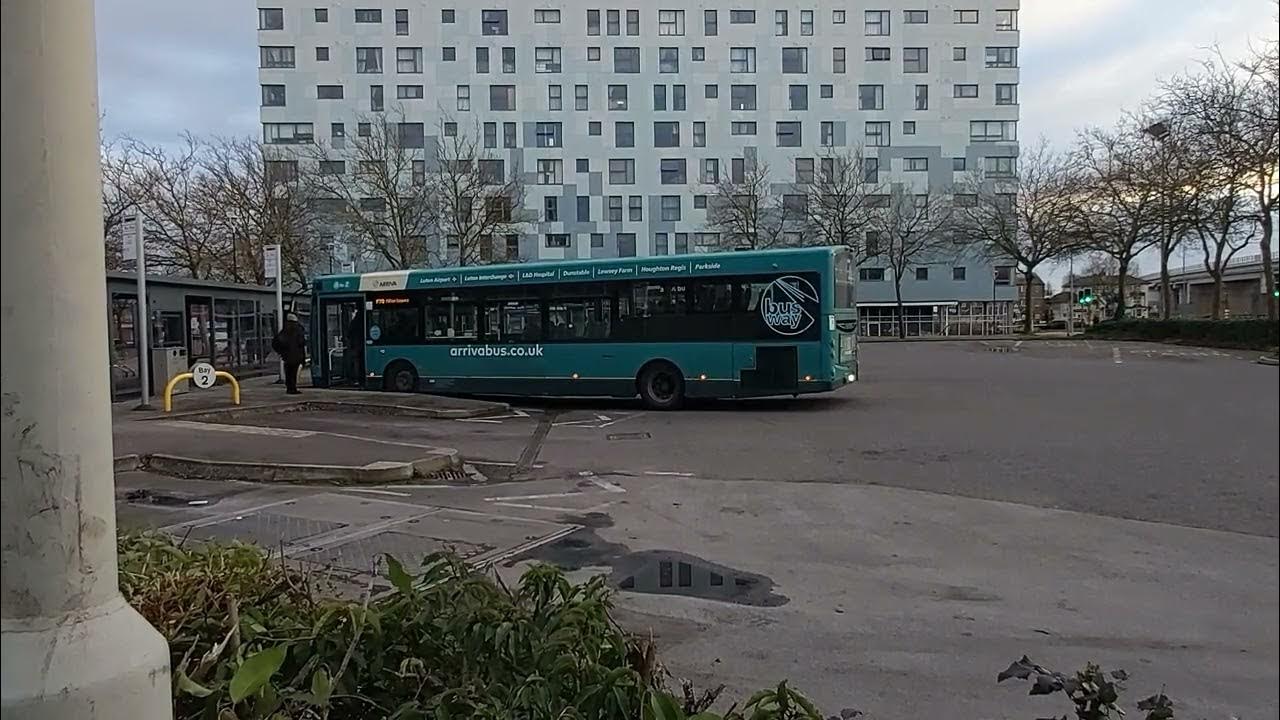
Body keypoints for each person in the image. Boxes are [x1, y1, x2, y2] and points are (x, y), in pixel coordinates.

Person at [272, 312, 308, 394]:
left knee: (289, 372)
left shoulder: (284, 331)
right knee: (294, 372)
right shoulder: (299, 329)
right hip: (297, 355)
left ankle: (290, 388)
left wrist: (281, 352)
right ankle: (293, 388)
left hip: (287, 356)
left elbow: (276, 343)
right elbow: (301, 342)